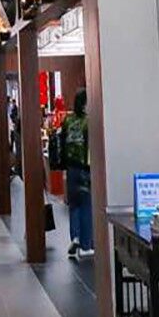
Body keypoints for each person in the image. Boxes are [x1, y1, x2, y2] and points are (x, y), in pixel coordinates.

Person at [61, 90, 93, 258]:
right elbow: (90, 147)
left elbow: (62, 142)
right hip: (84, 168)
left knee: (74, 205)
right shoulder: (88, 122)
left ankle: (75, 237)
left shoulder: (68, 120)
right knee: (86, 204)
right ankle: (86, 244)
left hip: (71, 168)